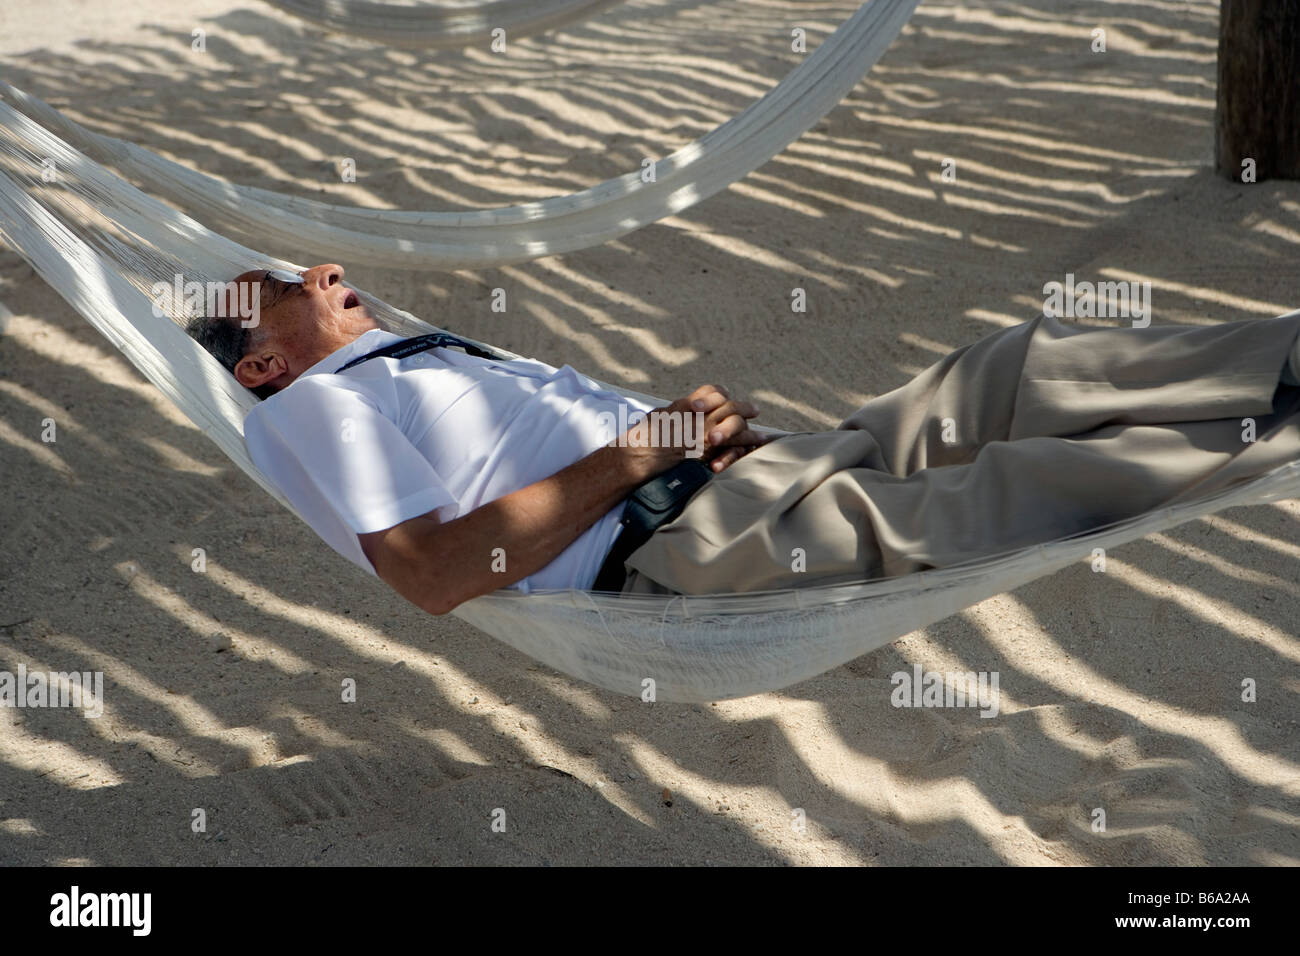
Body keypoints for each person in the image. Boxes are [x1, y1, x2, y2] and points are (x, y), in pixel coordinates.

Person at [188, 263, 1300, 613]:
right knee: (1013, 486)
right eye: (291, 285)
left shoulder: (399, 358)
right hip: (683, 539)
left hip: (744, 478)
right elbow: (433, 572)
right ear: (263, 366)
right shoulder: (315, 405)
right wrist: (645, 452)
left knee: (1014, 365)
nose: (327, 272)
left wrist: (686, 438)